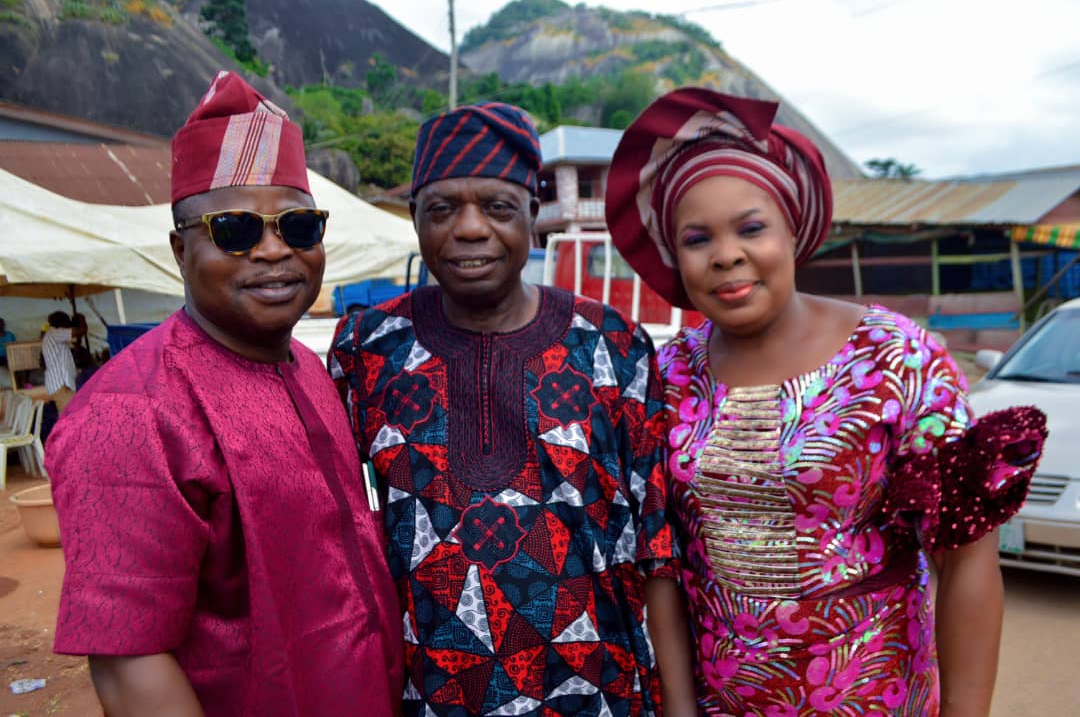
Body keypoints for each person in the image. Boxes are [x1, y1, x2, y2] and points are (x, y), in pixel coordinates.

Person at [604, 87, 1048, 717]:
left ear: (793, 228)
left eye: (751, 227)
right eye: (697, 238)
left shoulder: (896, 359)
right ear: (675, 256)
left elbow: (965, 560)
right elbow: (664, 567)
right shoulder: (669, 375)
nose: (727, 253)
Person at [47, 71, 403, 717]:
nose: (273, 251)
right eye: (235, 229)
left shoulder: (306, 367)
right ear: (182, 249)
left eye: (298, 226)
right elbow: (131, 664)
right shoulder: (131, 415)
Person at [330, 102, 692, 716]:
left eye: (498, 207)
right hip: (431, 698)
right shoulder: (367, 350)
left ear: (534, 216)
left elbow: (657, 552)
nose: (470, 229)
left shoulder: (613, 345)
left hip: (599, 694)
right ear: (415, 219)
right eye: (442, 208)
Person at [41, 311, 83, 413]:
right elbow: (81, 331)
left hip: (61, 384)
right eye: (66, 323)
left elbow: (77, 341)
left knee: (70, 416)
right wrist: (81, 319)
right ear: (60, 323)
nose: (67, 326)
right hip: (61, 384)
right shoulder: (55, 333)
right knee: (70, 418)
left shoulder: (54, 336)